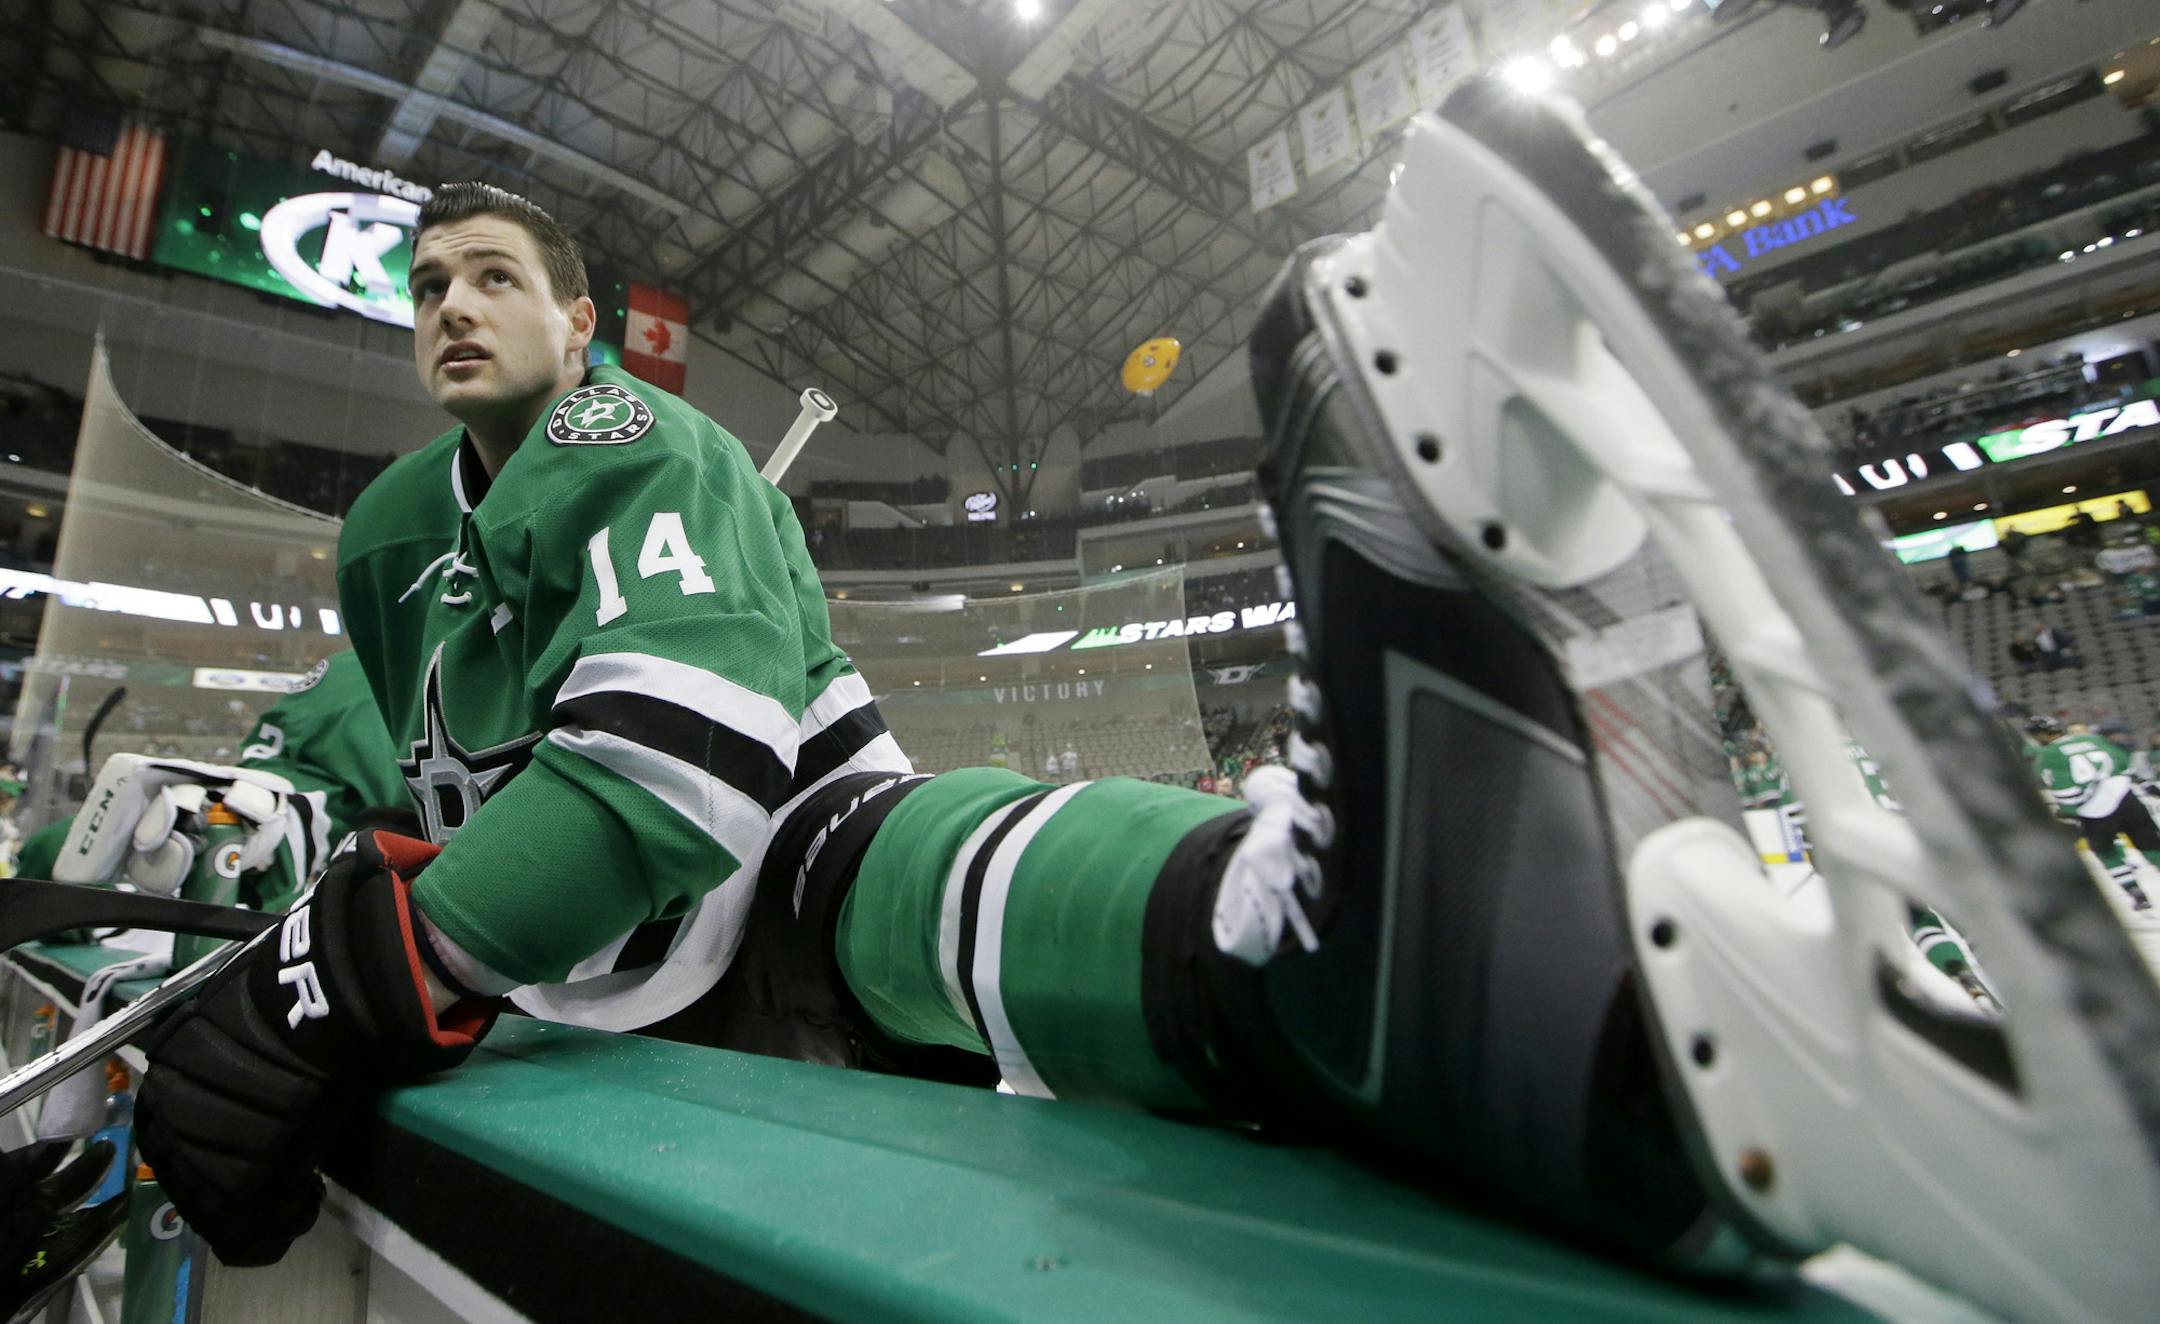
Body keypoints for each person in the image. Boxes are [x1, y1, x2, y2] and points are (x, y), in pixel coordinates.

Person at [111, 85, 2160, 1320]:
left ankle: (1337, 957)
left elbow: (668, 785)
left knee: (893, 866)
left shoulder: (649, 448)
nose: (453, 304)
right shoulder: (395, 533)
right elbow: (366, 750)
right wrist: (239, 847)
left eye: (496, 274)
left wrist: (332, 978)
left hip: (773, 881)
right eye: (427, 284)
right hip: (584, 1005)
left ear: (590, 322)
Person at [2025, 714, 2157, 911]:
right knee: (2152, 846)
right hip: (2127, 799)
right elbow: (2123, 763)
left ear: (2041, 735)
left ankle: (2135, 892)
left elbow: (2065, 792)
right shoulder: (2093, 739)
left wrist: (2068, 813)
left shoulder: (2048, 755)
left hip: (2095, 812)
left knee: (2106, 852)